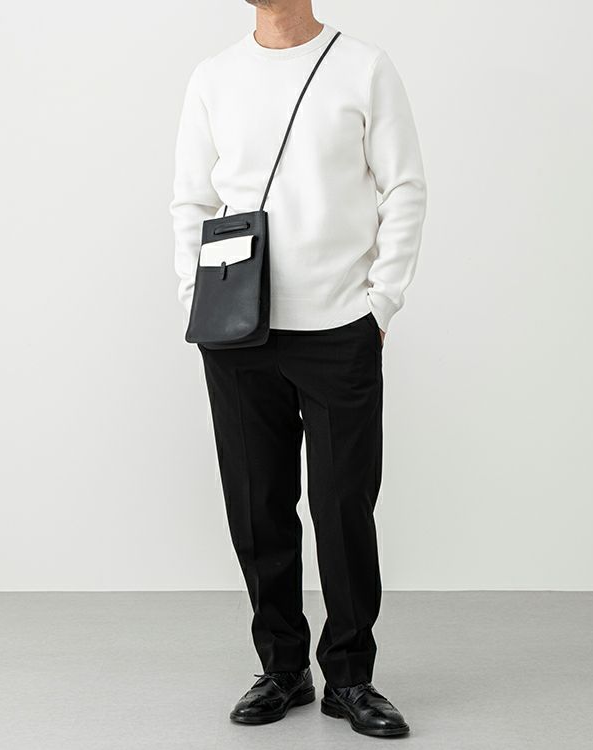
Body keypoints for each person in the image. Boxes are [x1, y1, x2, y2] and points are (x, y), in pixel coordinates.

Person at [170, 0, 427, 738]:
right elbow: (191, 200)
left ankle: (350, 676)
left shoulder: (364, 67)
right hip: (237, 330)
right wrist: (196, 301)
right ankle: (283, 667)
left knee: (344, 509)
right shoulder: (214, 77)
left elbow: (404, 187)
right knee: (258, 509)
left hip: (341, 327)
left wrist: (380, 305)